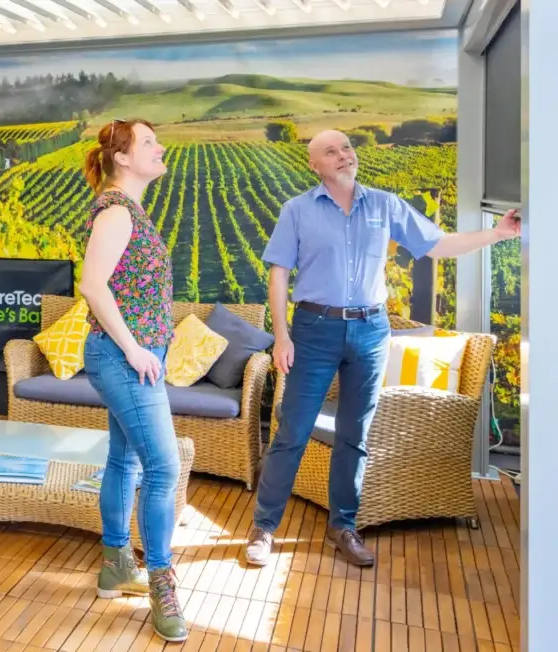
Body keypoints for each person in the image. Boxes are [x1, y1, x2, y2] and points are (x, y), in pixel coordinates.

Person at [245, 129, 521, 568]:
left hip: (372, 330)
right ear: (314, 165)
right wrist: (281, 335)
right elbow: (278, 274)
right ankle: (263, 528)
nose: (343, 155)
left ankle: (344, 526)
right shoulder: (296, 210)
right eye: (330, 151)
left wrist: (499, 234)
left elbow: (439, 244)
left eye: (347, 148)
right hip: (314, 329)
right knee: (292, 432)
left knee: (354, 436)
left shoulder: (385, 205)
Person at [78, 118, 187, 643]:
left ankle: (116, 563)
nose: (159, 147)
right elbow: (92, 286)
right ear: (122, 157)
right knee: (165, 468)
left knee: (126, 459)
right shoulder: (117, 210)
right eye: (148, 142)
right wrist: (135, 347)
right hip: (123, 359)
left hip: (133, 356)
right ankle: (162, 582)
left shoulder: (129, 209)